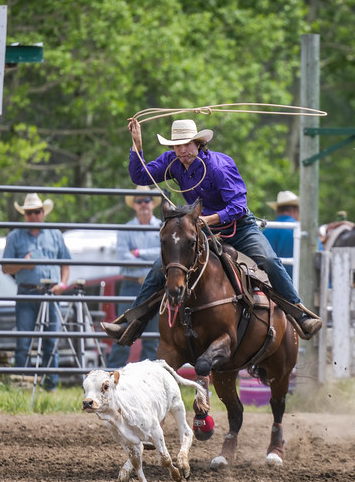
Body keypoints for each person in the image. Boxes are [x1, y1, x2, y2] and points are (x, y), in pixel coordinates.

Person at [101, 118, 322, 347]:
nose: (182, 150)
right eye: (177, 145)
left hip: (238, 227)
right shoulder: (171, 162)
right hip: (202, 230)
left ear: (198, 143)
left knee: (269, 260)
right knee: (162, 267)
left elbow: (238, 206)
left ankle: (300, 315)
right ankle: (130, 325)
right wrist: (137, 144)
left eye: (187, 144)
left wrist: (206, 219)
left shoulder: (218, 166)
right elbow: (140, 177)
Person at [2, 193, 72, 391]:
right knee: (24, 341)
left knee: (51, 341)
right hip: (27, 292)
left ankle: (50, 385)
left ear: (43, 213)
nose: (33, 215)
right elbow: (5, 267)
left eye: (37, 212)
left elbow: (66, 264)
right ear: (25, 215)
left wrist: (63, 285)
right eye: (29, 212)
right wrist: (23, 263)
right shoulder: (15, 236)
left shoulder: (55, 234)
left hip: (51, 293)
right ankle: (22, 385)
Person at [106, 186, 162, 368]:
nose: (143, 204)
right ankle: (112, 376)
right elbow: (124, 259)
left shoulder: (162, 227)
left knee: (152, 341)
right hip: (132, 285)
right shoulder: (126, 229)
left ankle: (148, 379)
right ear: (134, 205)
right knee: (122, 334)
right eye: (139, 201)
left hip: (155, 289)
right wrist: (153, 263)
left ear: (152, 203)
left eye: (146, 200)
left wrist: (137, 253)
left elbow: (163, 256)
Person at [263, 190, 299, 278]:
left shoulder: (266, 231)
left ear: (278, 211)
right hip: (297, 282)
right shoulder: (301, 231)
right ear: (295, 211)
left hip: (269, 283)